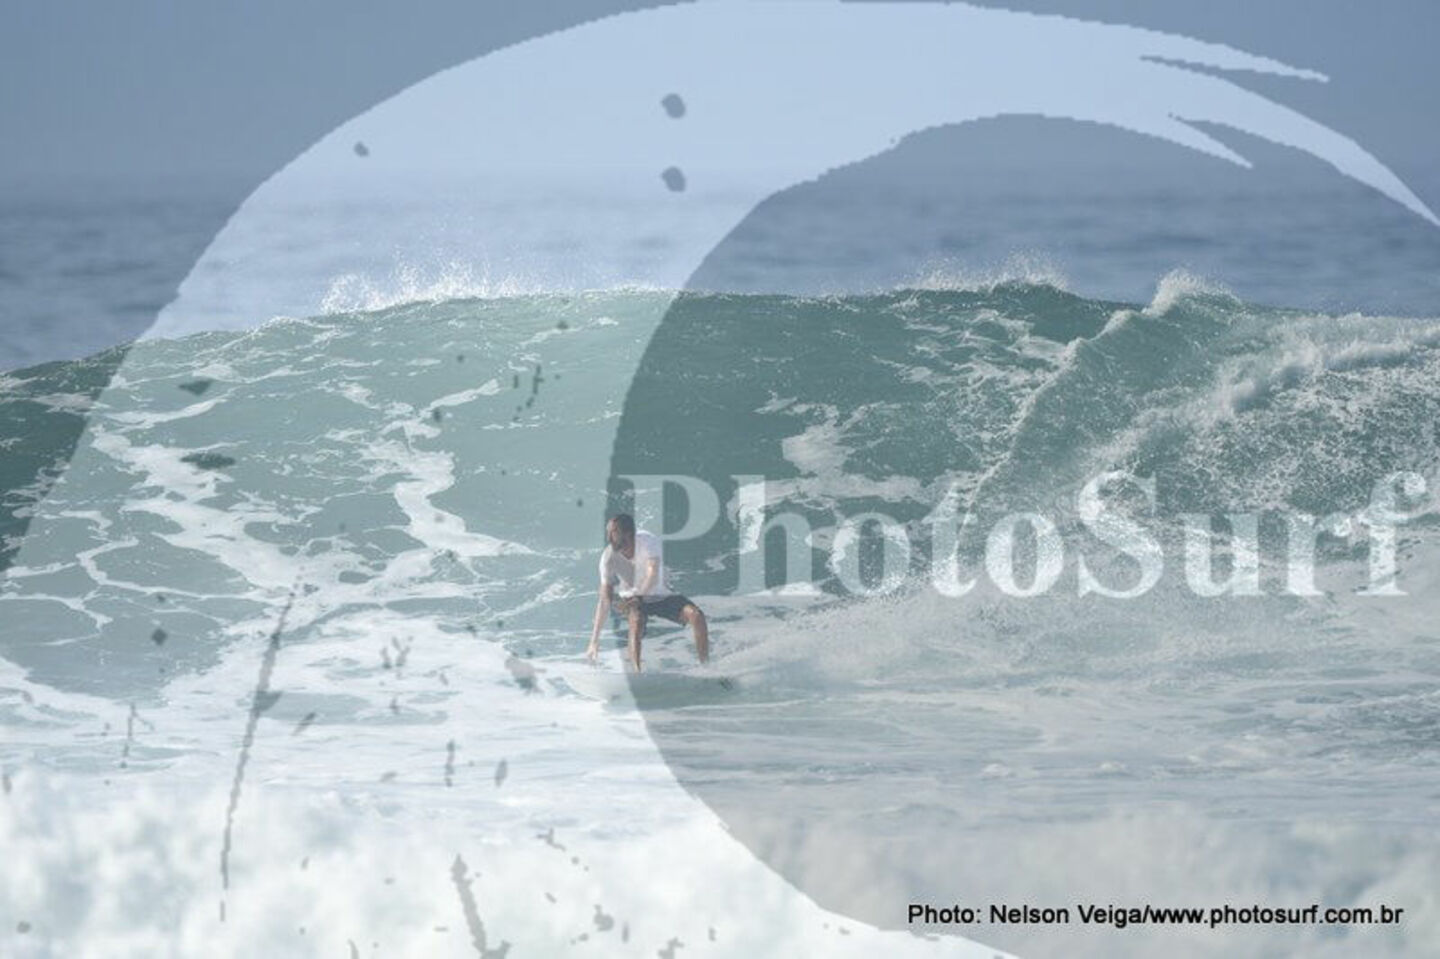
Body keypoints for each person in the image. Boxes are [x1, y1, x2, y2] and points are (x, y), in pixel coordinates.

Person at [587, 513, 708, 672]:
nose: (623, 552)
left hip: (661, 595)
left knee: (696, 616)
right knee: (636, 620)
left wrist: (641, 595)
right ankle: (637, 674)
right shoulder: (608, 557)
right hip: (630, 598)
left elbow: (652, 574)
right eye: (618, 547)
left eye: (625, 546)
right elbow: (604, 600)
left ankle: (706, 667)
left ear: (632, 536)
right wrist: (594, 640)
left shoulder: (649, 541)